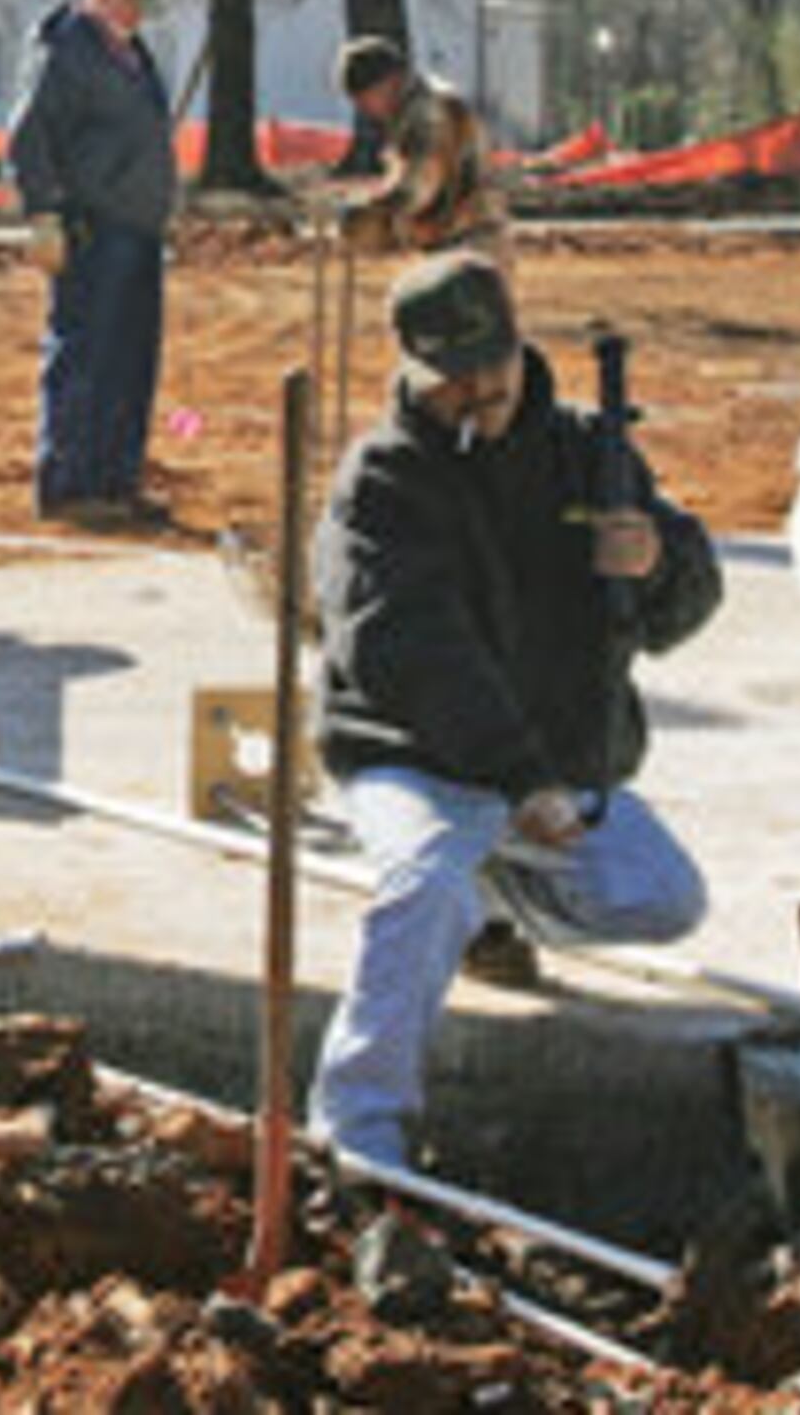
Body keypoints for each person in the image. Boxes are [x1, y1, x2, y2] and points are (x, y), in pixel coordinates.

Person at [306, 252, 723, 1171]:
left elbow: (684, 606)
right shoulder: (382, 481)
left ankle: (491, 896)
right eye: (454, 380)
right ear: (416, 366)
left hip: (551, 768)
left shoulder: (585, 453)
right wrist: (519, 777)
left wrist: (657, 565)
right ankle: (359, 1127)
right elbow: (410, 649)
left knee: (664, 895)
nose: (480, 393)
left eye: (491, 369)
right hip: (414, 758)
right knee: (425, 885)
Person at [7, 0, 178, 529]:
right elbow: (30, 136)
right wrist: (42, 214)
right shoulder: (67, 51)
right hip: (93, 228)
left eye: (141, 0)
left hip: (136, 228)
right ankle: (70, 484)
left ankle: (114, 480)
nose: (133, 9)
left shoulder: (130, 53)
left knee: (129, 361)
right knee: (84, 357)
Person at [333, 35, 504, 261]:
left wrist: (369, 209)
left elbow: (419, 187)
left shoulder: (429, 112)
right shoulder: (412, 110)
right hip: (453, 241)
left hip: (468, 246)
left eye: (363, 99)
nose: (363, 110)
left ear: (389, 82)